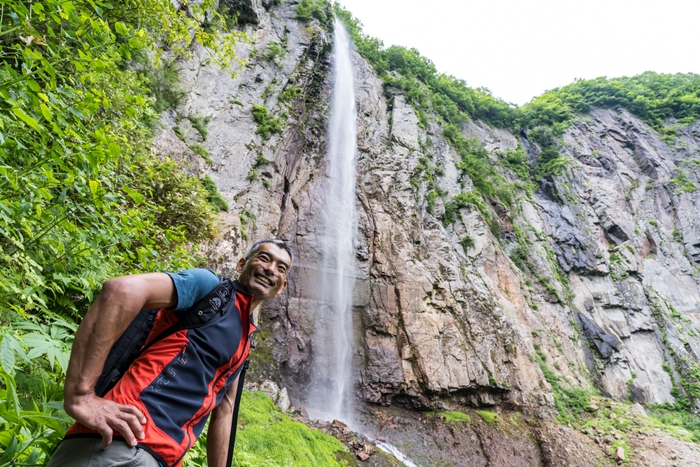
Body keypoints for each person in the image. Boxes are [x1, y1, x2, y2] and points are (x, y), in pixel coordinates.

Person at [47, 239, 293, 467]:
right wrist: (81, 396)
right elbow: (121, 290)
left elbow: (225, 410)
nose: (271, 269)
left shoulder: (244, 340)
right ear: (242, 264)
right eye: (264, 258)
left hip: (157, 458)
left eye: (281, 268)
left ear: (282, 287)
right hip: (118, 443)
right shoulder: (211, 289)